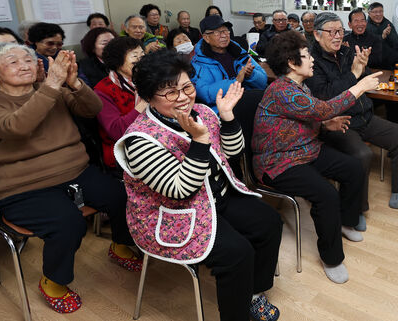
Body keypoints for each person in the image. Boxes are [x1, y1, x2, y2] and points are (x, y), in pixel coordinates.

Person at [114, 50, 282, 321]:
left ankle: (253, 293)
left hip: (214, 197)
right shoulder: (140, 140)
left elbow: (233, 152)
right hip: (174, 215)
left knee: (269, 222)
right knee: (237, 253)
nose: (182, 97)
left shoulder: (203, 112)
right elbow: (181, 190)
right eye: (170, 92)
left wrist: (227, 116)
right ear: (148, 97)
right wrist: (200, 141)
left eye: (187, 87)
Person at [0, 43, 140, 314]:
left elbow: (92, 108)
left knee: (122, 195)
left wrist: (74, 83)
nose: (24, 65)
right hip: (25, 188)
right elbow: (17, 126)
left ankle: (120, 245)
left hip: (76, 172)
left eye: (28, 60)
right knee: (68, 223)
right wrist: (52, 84)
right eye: (13, 61)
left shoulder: (52, 90)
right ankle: (53, 281)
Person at [254, 31, 382, 283]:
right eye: (306, 55)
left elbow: (309, 116)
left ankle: (345, 222)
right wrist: (359, 87)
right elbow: (323, 109)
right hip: (279, 163)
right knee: (326, 195)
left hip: (305, 149)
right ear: (292, 63)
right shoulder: (282, 91)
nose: (312, 59)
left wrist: (325, 125)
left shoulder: (299, 86)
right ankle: (332, 258)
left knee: (353, 167)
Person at [306, 12, 398, 220]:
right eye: (331, 32)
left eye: (340, 31)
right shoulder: (311, 61)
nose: (337, 36)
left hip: (364, 116)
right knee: (362, 155)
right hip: (338, 123)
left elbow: (366, 78)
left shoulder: (346, 52)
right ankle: (357, 210)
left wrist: (363, 66)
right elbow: (325, 95)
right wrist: (353, 74)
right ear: (317, 35)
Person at [191, 11, 267, 138]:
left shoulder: (238, 51)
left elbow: (263, 80)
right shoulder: (198, 62)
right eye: (217, 32)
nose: (224, 35)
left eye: (226, 31)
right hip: (222, 111)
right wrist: (236, 81)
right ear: (206, 37)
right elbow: (205, 94)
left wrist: (250, 75)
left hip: (248, 102)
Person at [94, 36, 146, 170]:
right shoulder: (103, 90)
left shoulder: (148, 79)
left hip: (154, 139)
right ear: (118, 61)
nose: (141, 60)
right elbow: (116, 131)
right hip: (123, 150)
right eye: (135, 56)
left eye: (142, 55)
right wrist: (144, 102)